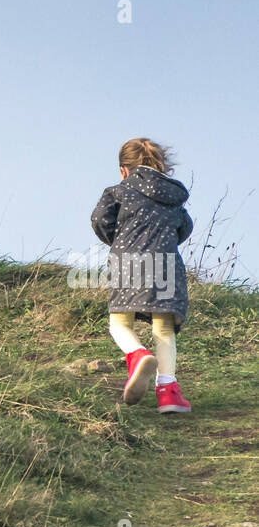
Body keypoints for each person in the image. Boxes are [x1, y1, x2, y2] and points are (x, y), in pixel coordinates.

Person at [91, 137, 193, 413]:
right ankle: (169, 391)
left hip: (129, 262)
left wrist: (119, 239)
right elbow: (184, 228)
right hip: (167, 265)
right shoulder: (174, 200)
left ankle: (138, 355)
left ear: (124, 169)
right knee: (164, 328)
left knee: (119, 322)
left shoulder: (118, 192)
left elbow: (100, 219)